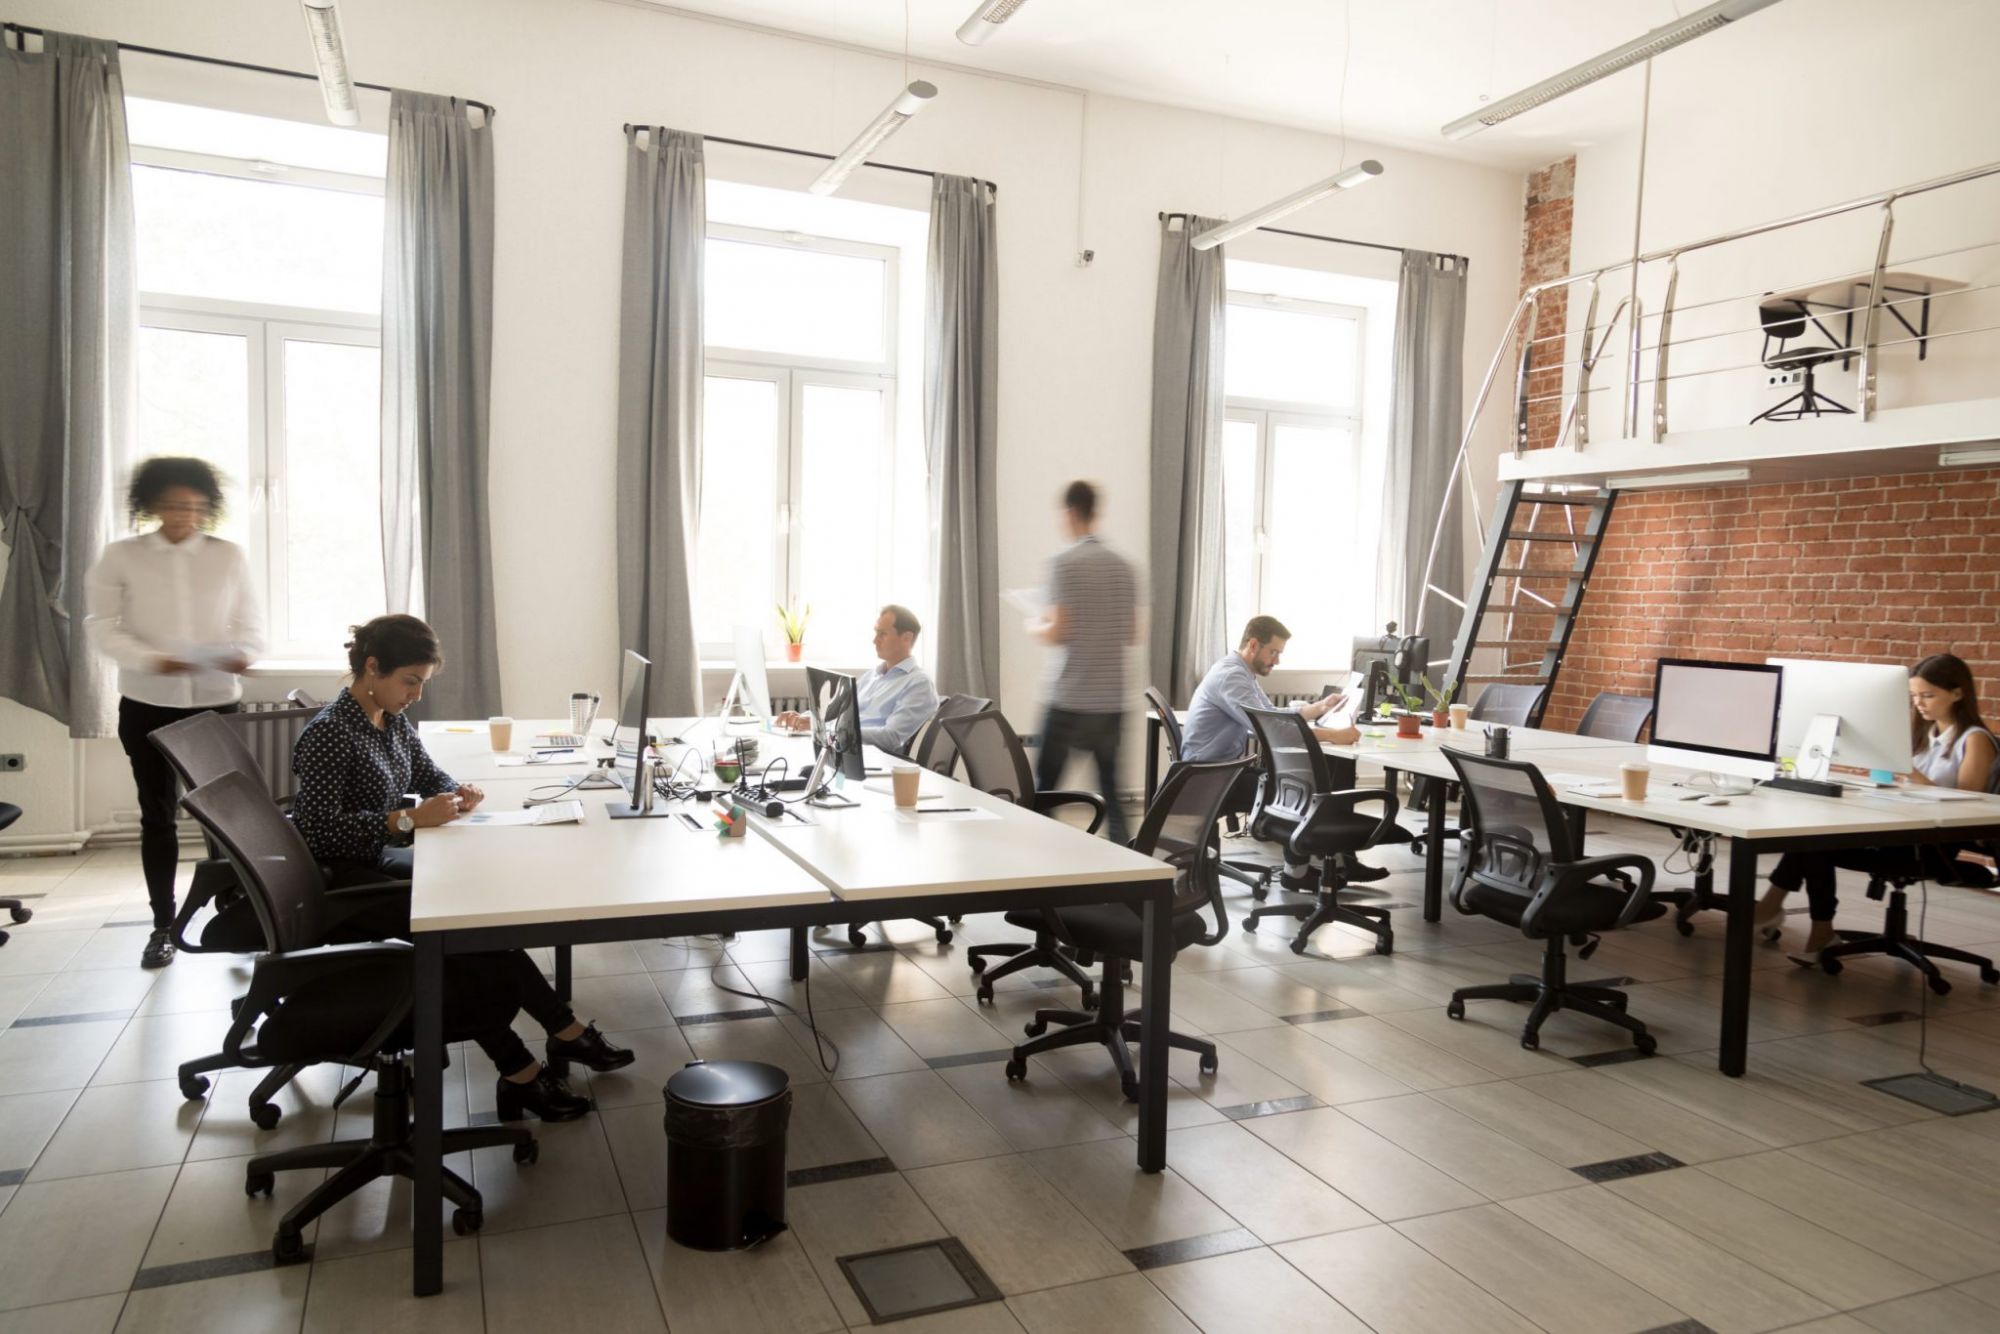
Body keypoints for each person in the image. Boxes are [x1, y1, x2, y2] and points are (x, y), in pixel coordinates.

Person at [290, 613, 632, 1119]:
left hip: (376, 861)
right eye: (410, 681)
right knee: (472, 941)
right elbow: (317, 831)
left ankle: (541, 1053)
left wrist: (457, 793)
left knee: (483, 925)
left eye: (422, 684)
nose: (416, 695)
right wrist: (408, 820)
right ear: (372, 667)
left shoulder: (388, 719)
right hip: (344, 885)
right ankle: (544, 1051)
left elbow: (427, 774)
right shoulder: (331, 733)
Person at [86, 458, 264, 969]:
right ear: (151, 505)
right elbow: (101, 625)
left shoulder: (228, 555)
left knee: (228, 815)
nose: (185, 514)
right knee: (157, 816)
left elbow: (251, 625)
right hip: (147, 703)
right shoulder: (122, 555)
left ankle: (237, 911)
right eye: (173, 505)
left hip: (215, 701)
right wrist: (153, 660)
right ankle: (162, 924)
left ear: (208, 506)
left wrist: (244, 653)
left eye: (195, 506)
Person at [1758, 653, 2000, 964]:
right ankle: (1804, 923)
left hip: (1933, 846)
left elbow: (1970, 804)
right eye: (1914, 696)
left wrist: (1908, 771)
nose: (1919, 704)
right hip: (1902, 829)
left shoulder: (1974, 740)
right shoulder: (1924, 735)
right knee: (1811, 838)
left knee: (1815, 845)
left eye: (1928, 695)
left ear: (1957, 693)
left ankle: (1786, 915)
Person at [1181, 616, 1377, 891]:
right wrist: (1333, 735)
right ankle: (1302, 871)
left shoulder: (1239, 671)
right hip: (1211, 777)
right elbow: (1272, 729)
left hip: (1220, 771)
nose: (1277, 660)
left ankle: (1335, 862)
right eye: (1273, 652)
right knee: (1300, 790)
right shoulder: (1232, 677)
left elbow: (1271, 715)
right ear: (1253, 645)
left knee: (1303, 783)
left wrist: (1319, 707)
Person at [1029, 481, 1138, 844]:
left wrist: (1035, 625)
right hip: (1111, 701)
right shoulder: (1124, 567)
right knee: (1112, 794)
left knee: (1044, 792)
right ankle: (1127, 863)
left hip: (1069, 698)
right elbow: (1132, 632)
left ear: (1071, 512)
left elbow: (1059, 632)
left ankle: (1040, 861)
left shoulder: (1063, 563)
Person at [774, 605, 939, 755]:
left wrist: (828, 731)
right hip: (844, 750)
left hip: (871, 758)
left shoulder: (919, 683)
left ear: (907, 638)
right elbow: (837, 711)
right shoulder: (872, 676)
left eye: (882, 634)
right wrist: (803, 718)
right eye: (876, 633)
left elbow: (891, 737)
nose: (874, 641)